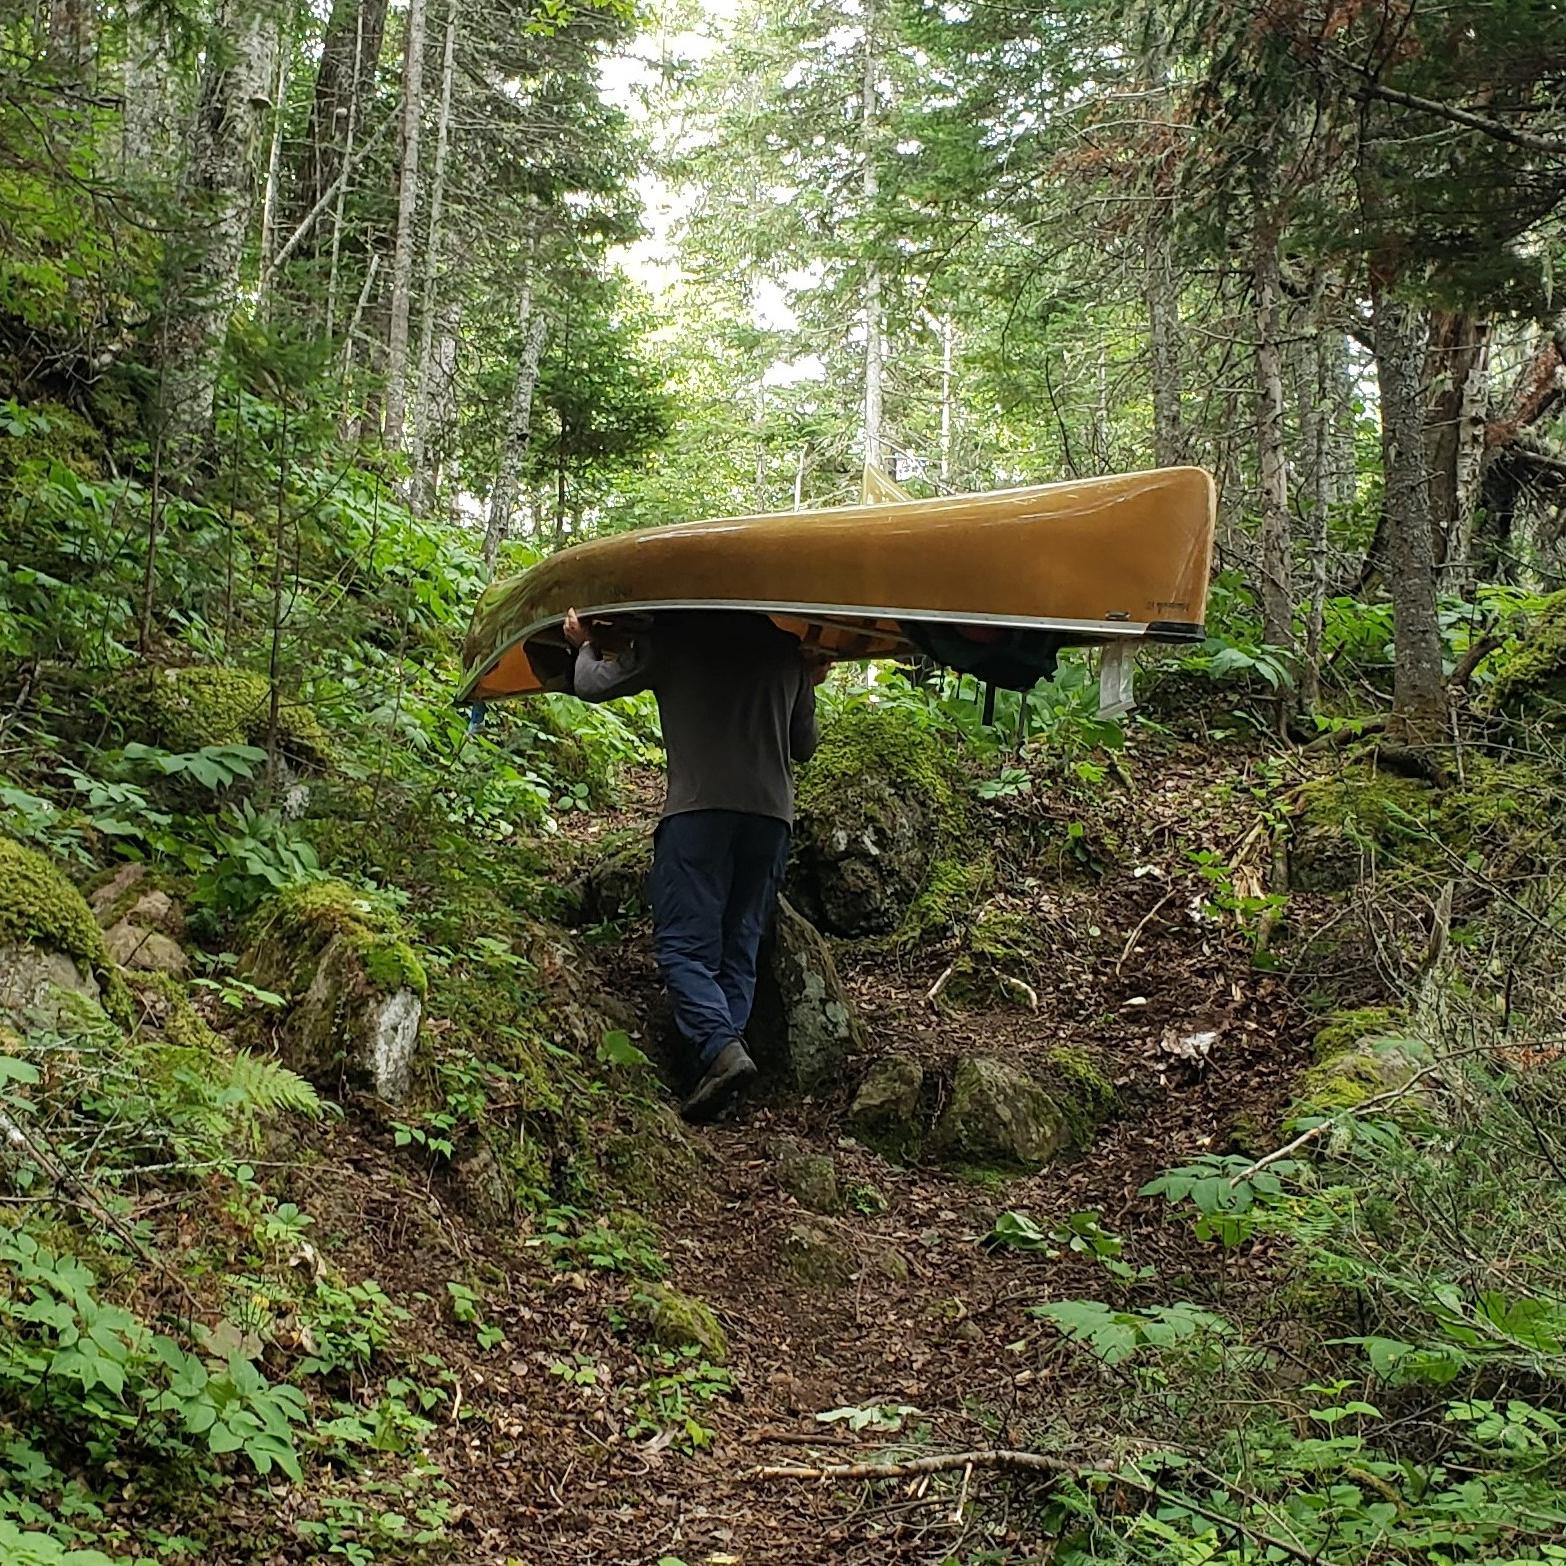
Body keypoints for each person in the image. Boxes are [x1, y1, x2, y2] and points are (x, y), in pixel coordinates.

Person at [565, 608, 825, 1122]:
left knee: (685, 946)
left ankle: (719, 1049)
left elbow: (592, 684)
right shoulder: (784, 651)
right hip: (771, 819)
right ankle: (718, 1069)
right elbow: (806, 747)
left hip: (699, 812)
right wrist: (804, 682)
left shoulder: (674, 640)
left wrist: (584, 644)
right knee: (739, 944)